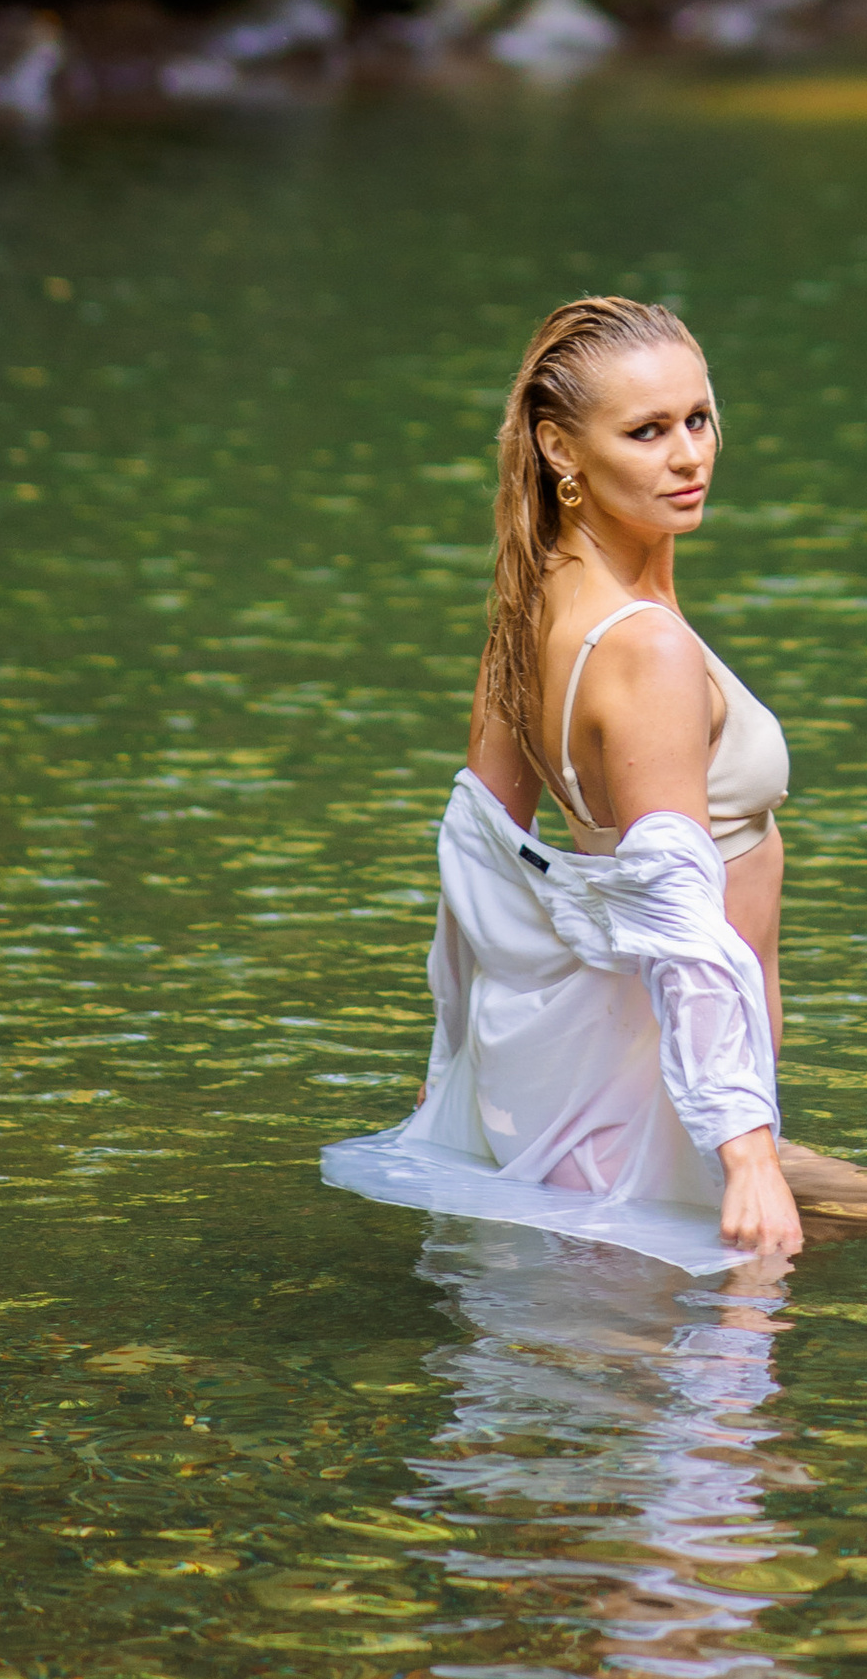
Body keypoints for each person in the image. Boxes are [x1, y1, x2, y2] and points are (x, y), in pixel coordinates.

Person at [325, 295, 804, 1268]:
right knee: (719, 1406)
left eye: (697, 418)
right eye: (646, 430)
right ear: (559, 448)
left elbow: (473, 858)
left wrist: (452, 1072)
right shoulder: (646, 651)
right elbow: (676, 912)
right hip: (676, 1118)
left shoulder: (535, 603)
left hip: (628, 1096)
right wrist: (747, 1153)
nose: (688, 455)